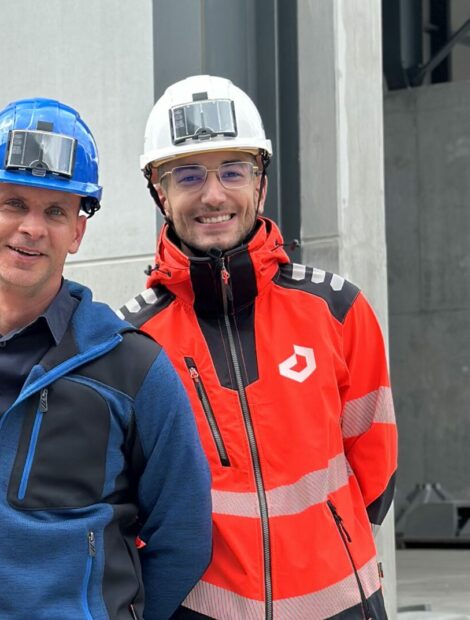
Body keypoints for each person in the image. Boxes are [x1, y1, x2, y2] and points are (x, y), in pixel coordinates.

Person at [0, 97, 212, 619]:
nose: (33, 227)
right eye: (13, 203)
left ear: (77, 232)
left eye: (56, 211)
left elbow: (184, 535)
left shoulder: (132, 368)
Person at [117, 75, 398, 620]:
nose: (213, 194)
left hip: (343, 603)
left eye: (233, 171)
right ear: (160, 193)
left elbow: (376, 468)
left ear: (260, 185)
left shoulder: (338, 309)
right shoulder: (130, 341)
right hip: (199, 611)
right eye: (188, 175)